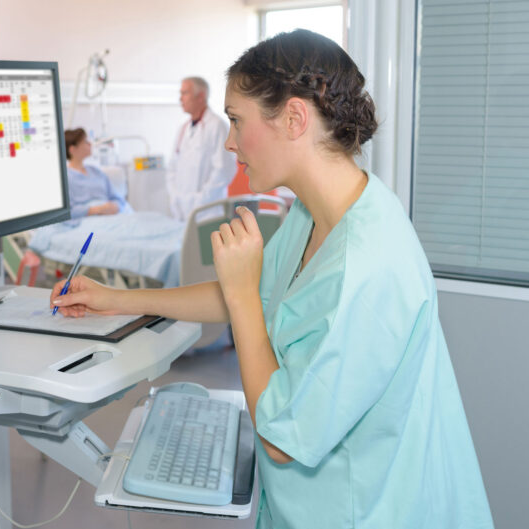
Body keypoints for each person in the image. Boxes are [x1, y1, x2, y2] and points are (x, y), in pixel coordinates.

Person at [51, 30, 494, 529]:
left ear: (294, 119)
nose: (229, 141)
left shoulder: (366, 267)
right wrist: (116, 298)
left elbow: (283, 437)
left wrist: (242, 294)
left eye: (237, 120)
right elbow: (256, 293)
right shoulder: (317, 213)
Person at [166, 76, 236, 221]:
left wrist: (200, 200)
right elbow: (172, 167)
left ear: (201, 96)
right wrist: (175, 197)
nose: (180, 99)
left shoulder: (217, 126)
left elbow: (224, 170)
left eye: (185, 93)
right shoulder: (183, 129)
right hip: (181, 212)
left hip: (208, 211)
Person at [64, 128, 131, 219]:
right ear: (72, 149)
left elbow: (117, 198)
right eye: (85, 142)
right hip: (87, 219)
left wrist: (116, 206)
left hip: (113, 215)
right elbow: (67, 212)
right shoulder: (66, 178)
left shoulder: (96, 172)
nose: (90, 144)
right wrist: (96, 209)